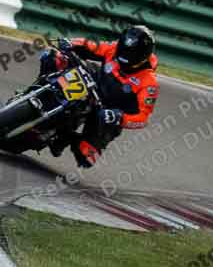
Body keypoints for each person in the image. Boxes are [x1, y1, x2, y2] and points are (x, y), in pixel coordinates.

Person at [39, 25, 159, 168]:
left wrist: (119, 118)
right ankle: (36, 92)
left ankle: (66, 137)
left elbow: (143, 118)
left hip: (107, 113)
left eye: (131, 53)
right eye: (123, 49)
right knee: (54, 57)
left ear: (143, 56)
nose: (125, 55)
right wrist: (71, 43)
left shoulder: (149, 83)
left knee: (87, 157)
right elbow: (90, 45)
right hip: (93, 84)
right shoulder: (113, 48)